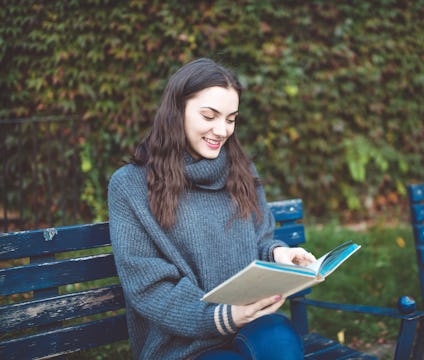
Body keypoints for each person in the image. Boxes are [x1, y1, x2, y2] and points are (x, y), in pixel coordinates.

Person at [108, 58, 316, 360]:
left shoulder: (241, 170)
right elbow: (148, 286)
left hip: (251, 323)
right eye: (209, 116)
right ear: (176, 110)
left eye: (231, 119)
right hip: (181, 345)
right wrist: (223, 316)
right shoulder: (130, 186)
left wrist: (278, 255)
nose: (222, 130)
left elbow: (260, 241)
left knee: (280, 341)